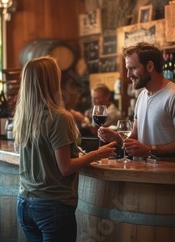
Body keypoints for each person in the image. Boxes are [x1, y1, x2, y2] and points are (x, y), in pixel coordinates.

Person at [13, 56, 117, 241]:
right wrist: (98, 154)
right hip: (52, 206)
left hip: (24, 203)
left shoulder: (24, 116)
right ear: (51, 81)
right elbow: (66, 167)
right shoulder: (59, 117)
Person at [99, 42, 175, 163]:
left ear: (150, 66)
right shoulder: (142, 96)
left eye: (133, 68)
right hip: (141, 174)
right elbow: (135, 136)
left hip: (168, 178)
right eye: (127, 69)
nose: (129, 75)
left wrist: (150, 150)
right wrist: (117, 138)